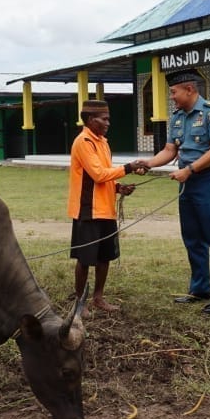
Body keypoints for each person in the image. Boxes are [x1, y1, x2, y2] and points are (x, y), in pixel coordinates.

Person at [132, 71, 210, 314]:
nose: (172, 98)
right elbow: (169, 150)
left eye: (174, 92)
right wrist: (148, 163)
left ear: (189, 89)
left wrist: (189, 169)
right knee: (192, 238)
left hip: (209, 181)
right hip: (187, 183)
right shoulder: (178, 117)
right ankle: (199, 289)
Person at [67, 100, 139, 314]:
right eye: (104, 119)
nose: (108, 122)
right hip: (88, 209)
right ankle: (79, 302)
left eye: (108, 118)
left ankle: (98, 298)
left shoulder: (103, 142)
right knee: (85, 258)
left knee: (105, 256)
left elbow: (105, 173)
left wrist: (118, 187)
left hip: (106, 209)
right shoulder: (83, 141)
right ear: (90, 120)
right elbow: (98, 175)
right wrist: (129, 167)